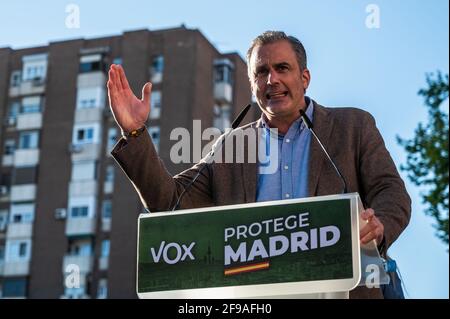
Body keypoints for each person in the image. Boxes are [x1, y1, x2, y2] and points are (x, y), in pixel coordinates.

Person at [107, 31, 411, 299]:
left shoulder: (352, 126)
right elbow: (169, 202)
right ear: (253, 85)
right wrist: (134, 132)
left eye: (282, 68)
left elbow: (391, 191)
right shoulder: (230, 147)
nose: (272, 80)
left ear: (304, 78)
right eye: (261, 72)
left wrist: (380, 224)